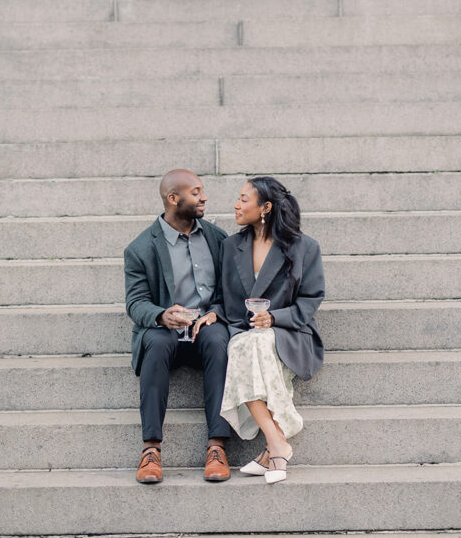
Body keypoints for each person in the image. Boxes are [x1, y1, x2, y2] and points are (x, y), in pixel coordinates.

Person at [123, 169, 232, 484]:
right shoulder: (140, 248)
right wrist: (161, 315)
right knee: (156, 343)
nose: (204, 197)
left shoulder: (217, 238)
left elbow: (231, 291)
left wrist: (216, 312)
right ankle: (151, 449)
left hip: (205, 329)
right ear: (173, 198)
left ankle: (217, 447)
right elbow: (135, 303)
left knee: (218, 339)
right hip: (166, 332)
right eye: (196, 192)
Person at [218, 176, 325, 484]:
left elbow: (311, 298)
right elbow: (222, 297)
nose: (236, 205)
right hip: (244, 330)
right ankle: (277, 442)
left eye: (243, 199)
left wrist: (274, 318)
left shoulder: (304, 247)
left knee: (253, 344)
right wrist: (216, 315)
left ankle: (273, 448)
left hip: (291, 331)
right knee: (245, 344)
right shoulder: (230, 246)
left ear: (265, 207)